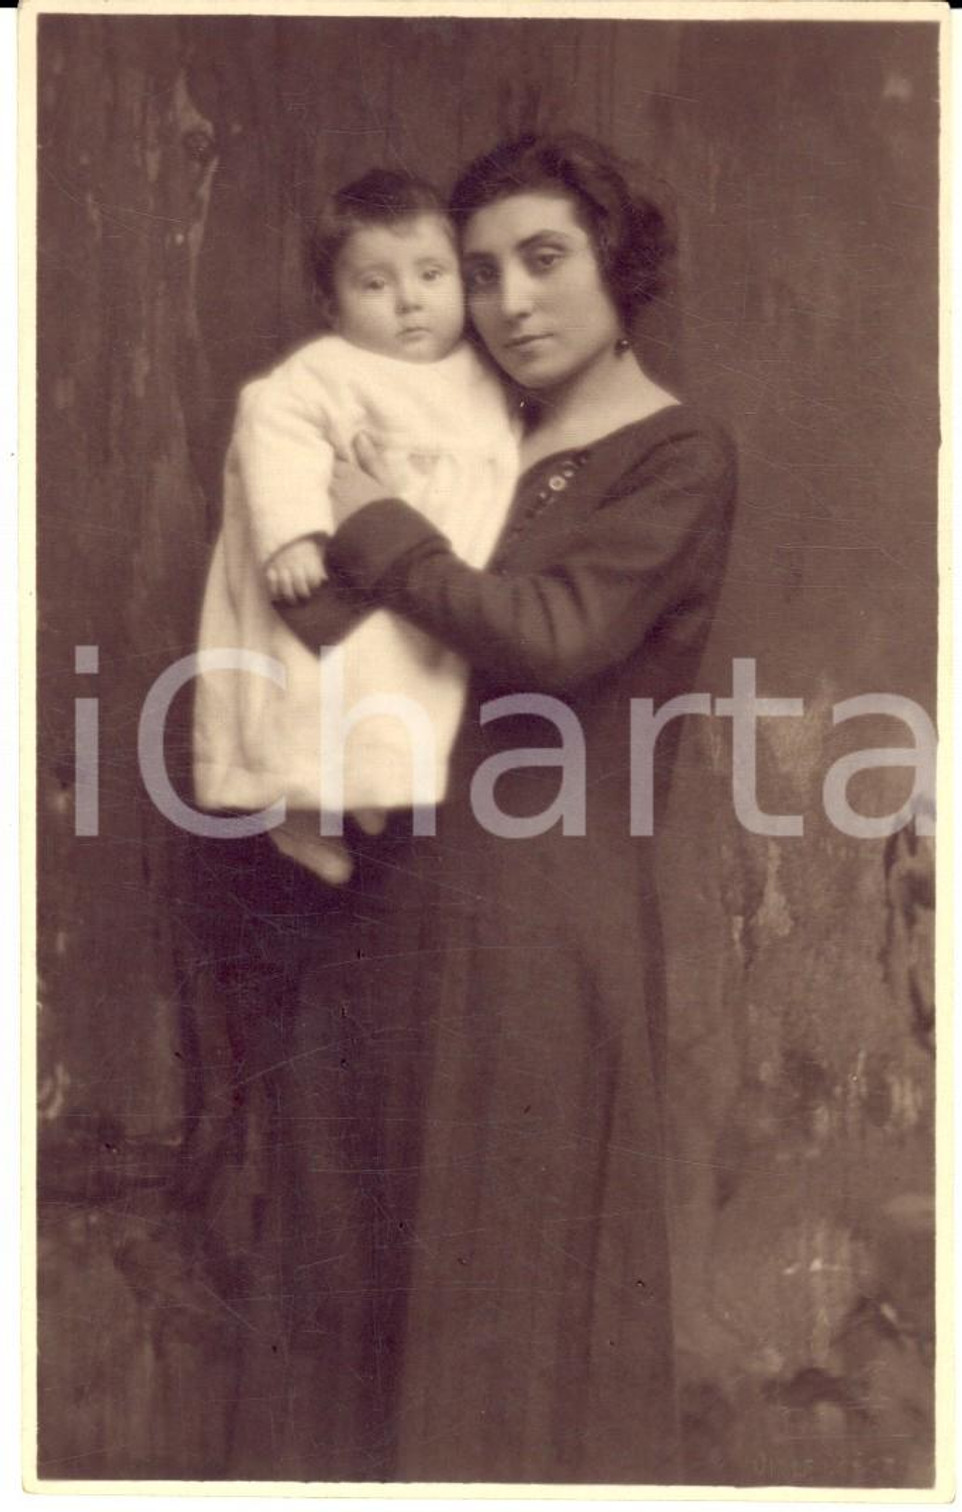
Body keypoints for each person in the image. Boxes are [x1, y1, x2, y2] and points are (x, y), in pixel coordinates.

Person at [231, 132, 737, 1485]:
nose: (509, 301)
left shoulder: (672, 453)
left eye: (545, 259)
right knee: (354, 1290)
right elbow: (333, 619)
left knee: (504, 1306)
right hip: (388, 901)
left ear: (617, 263)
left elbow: (554, 638)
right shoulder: (468, 428)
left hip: (537, 922)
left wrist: (379, 521)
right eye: (480, 272)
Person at [192, 169, 519, 884]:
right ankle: (293, 809)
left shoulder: (483, 377)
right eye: (374, 284)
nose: (409, 301)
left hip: (417, 576)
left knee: (399, 694)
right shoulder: (329, 370)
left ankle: (369, 790)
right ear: (331, 304)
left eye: (431, 274)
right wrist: (292, 533)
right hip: (329, 570)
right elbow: (272, 427)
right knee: (307, 694)